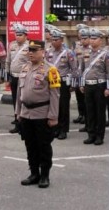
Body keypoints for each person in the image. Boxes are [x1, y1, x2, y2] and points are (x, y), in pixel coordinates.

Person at [16, 39, 61, 188]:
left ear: (43, 52)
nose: (31, 53)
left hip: (42, 114)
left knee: (43, 146)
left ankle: (45, 175)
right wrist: (18, 112)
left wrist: (53, 116)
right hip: (26, 113)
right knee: (30, 145)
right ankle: (34, 173)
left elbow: (55, 95)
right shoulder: (24, 68)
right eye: (29, 50)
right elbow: (19, 93)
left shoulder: (51, 69)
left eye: (34, 51)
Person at [80, 29, 109, 146]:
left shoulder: (106, 55)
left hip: (100, 85)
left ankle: (99, 136)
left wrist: (108, 88)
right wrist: (82, 83)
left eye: (94, 38)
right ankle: (91, 134)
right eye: (91, 38)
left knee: (99, 112)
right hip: (88, 85)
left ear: (100, 40)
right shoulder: (86, 53)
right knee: (90, 111)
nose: (92, 41)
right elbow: (82, 69)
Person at [46, 29, 76, 140]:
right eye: (52, 39)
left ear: (61, 40)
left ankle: (63, 130)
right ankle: (56, 128)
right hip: (51, 82)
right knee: (53, 106)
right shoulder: (48, 52)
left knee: (63, 107)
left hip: (63, 82)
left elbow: (74, 69)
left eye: (56, 39)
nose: (54, 42)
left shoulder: (68, 53)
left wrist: (73, 84)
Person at [6, 24, 31, 133]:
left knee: (23, 101)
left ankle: (25, 124)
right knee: (15, 101)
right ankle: (17, 123)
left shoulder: (30, 46)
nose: (17, 37)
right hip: (14, 77)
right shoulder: (12, 45)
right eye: (16, 35)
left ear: (25, 35)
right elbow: (8, 61)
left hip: (24, 78)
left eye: (20, 35)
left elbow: (32, 62)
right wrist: (7, 75)